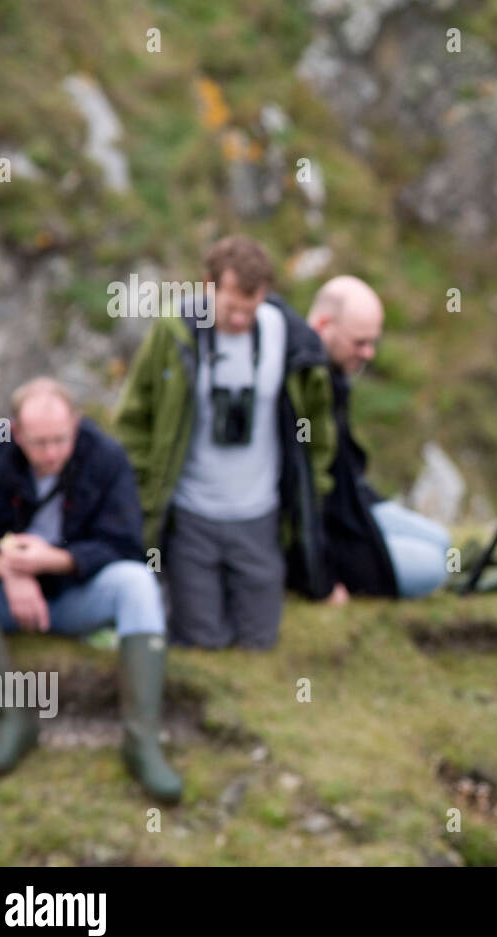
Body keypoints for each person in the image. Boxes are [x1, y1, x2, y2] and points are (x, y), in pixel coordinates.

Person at [0, 378, 182, 800]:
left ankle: (141, 740)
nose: (52, 453)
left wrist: (56, 559)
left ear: (76, 423)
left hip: (76, 594)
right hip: (2, 598)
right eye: (39, 443)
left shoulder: (107, 457)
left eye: (61, 439)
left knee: (138, 583)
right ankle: (15, 717)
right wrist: (7, 568)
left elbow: (126, 543)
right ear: (16, 432)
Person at [114, 236, 335, 649]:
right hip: (190, 516)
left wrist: (313, 491)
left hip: (260, 516)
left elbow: (318, 428)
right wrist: (142, 493)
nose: (239, 321)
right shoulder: (175, 333)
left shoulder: (289, 338)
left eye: (250, 311)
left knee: (258, 640)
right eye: (231, 308)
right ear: (207, 286)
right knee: (202, 639)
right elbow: (135, 419)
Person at [307, 275, 451, 602]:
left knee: (443, 543)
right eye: (359, 343)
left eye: (373, 342)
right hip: (335, 532)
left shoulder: (334, 376)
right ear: (323, 325)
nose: (369, 353)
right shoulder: (306, 381)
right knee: (435, 567)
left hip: (354, 506)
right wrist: (322, 578)